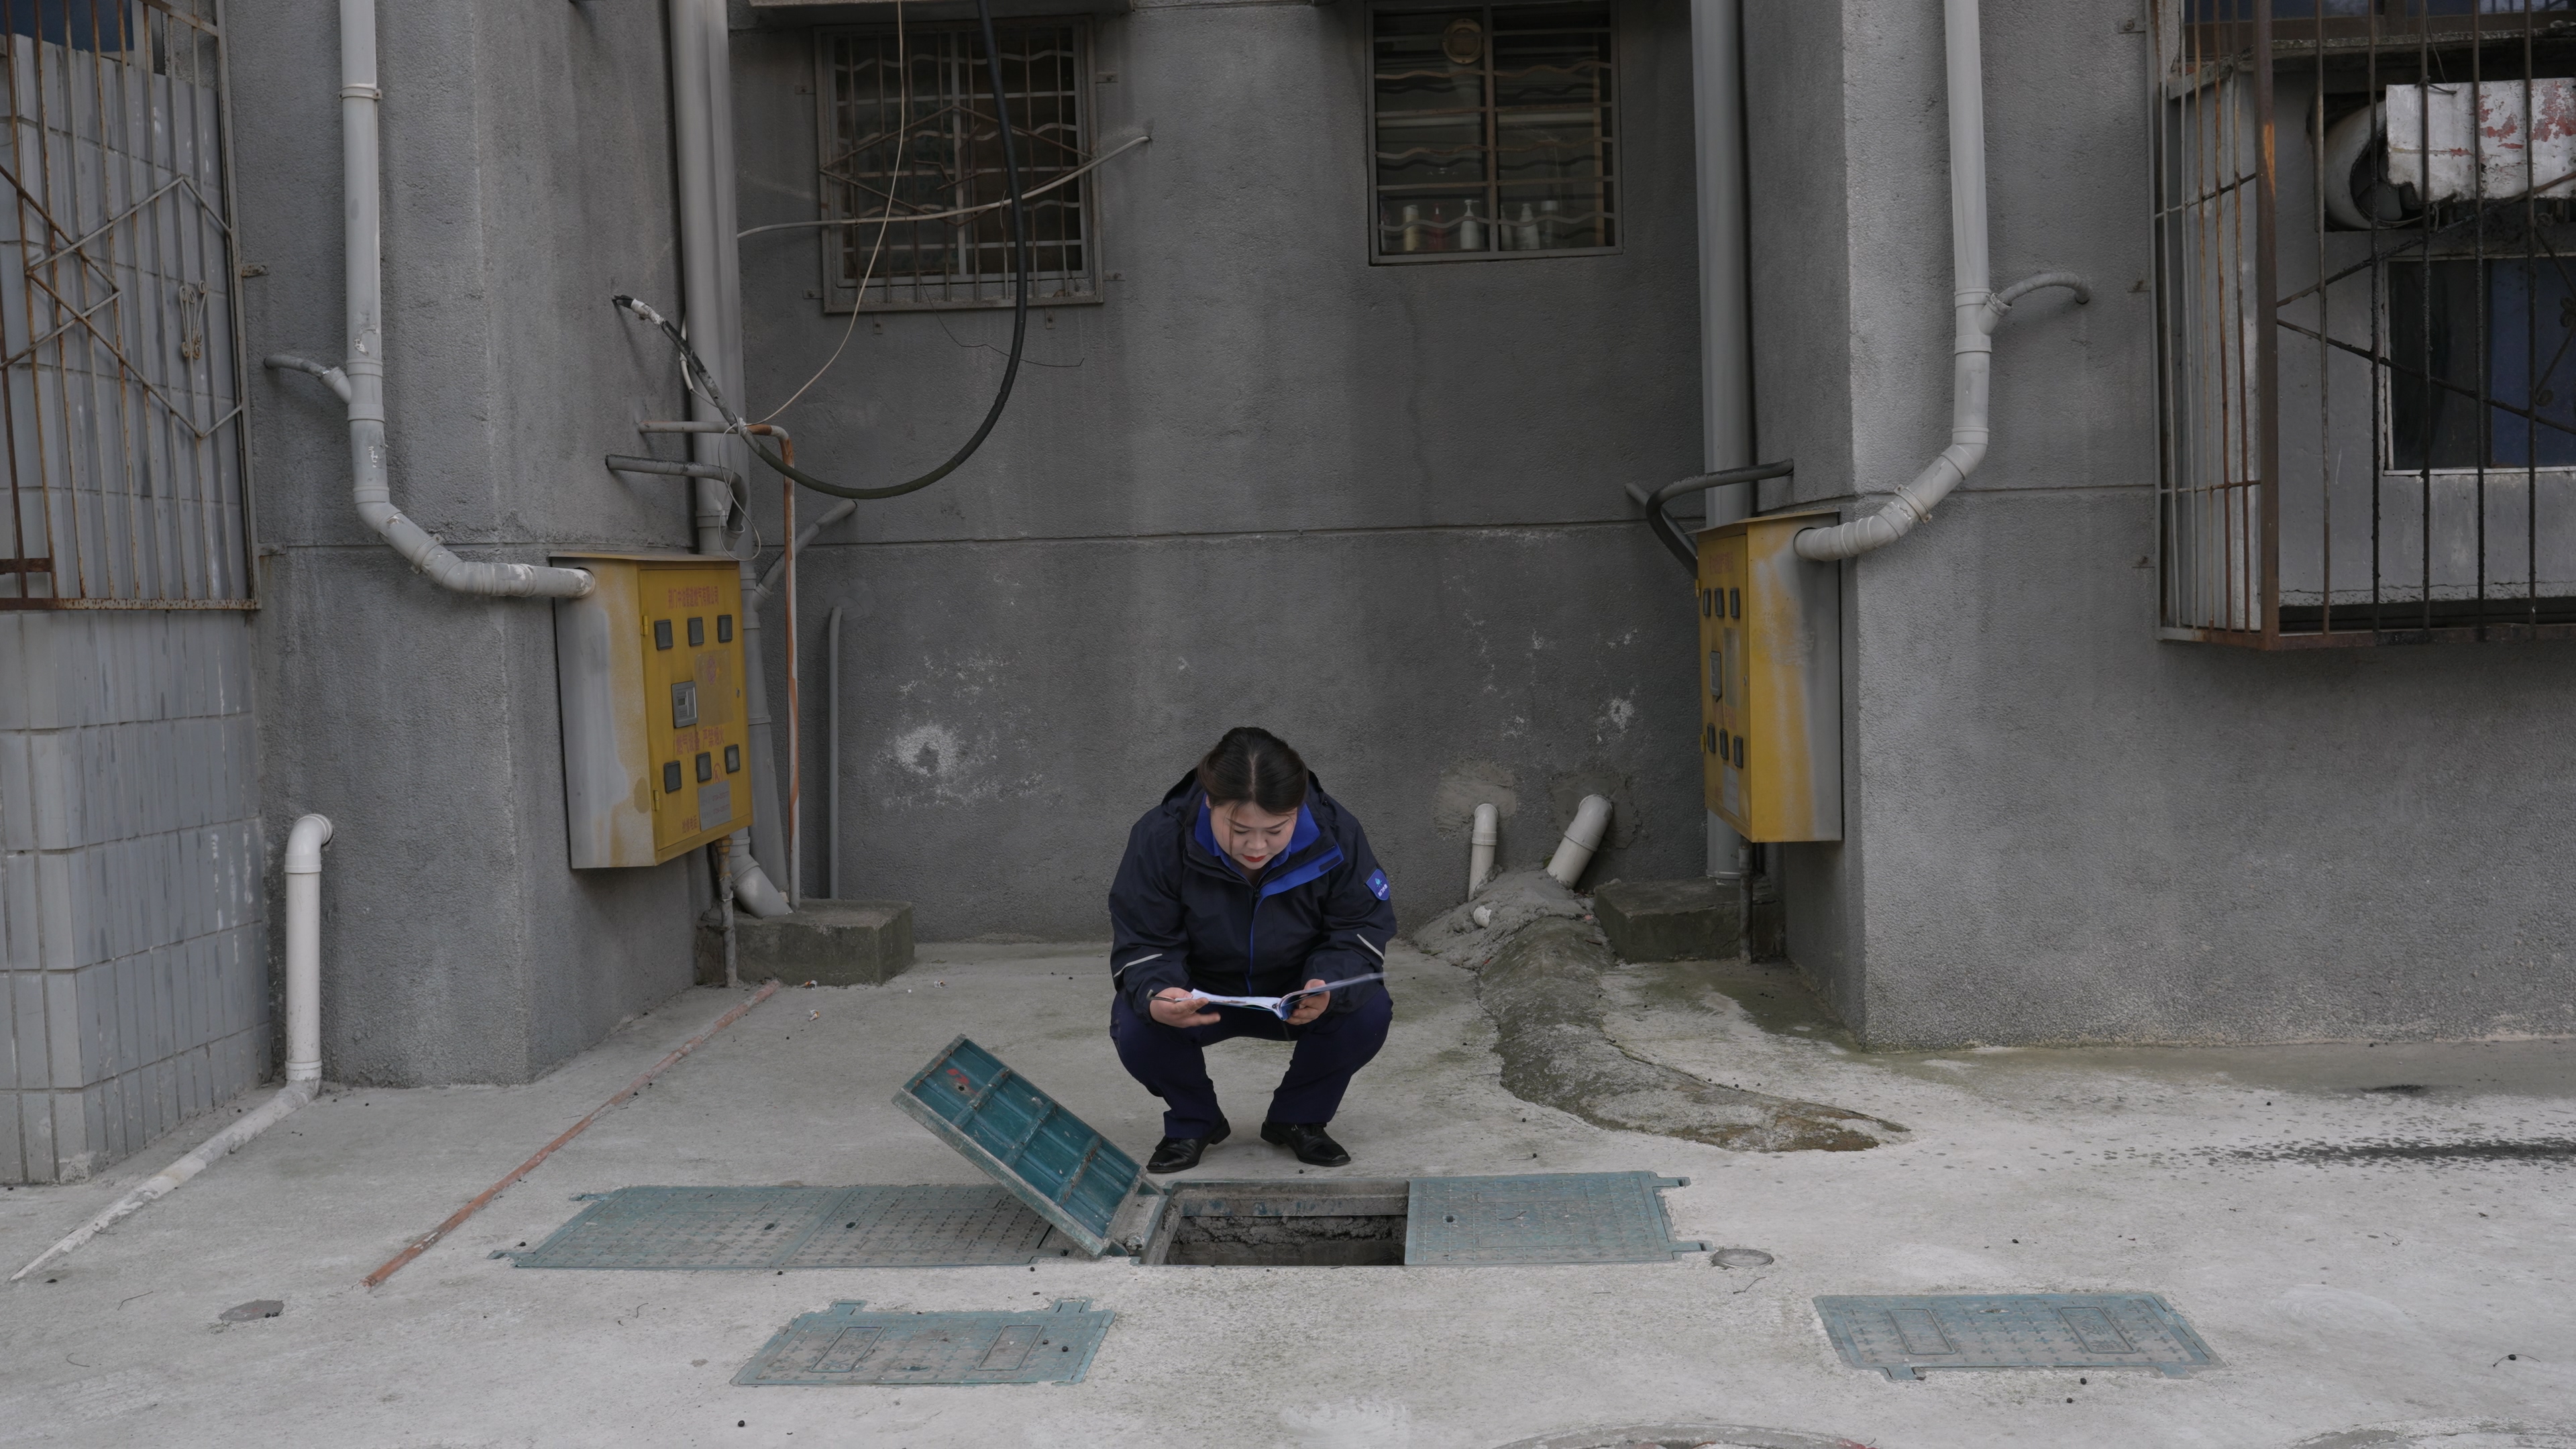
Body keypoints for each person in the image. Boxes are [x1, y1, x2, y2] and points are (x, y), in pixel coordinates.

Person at [1106, 727, 1397, 1173]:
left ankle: (1299, 1118)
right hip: (1200, 991)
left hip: (1297, 991)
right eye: (1239, 829)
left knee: (1367, 1009)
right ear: (1210, 802)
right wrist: (1158, 992)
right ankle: (1194, 1121)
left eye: (1276, 829)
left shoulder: (1336, 832)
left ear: (1297, 809)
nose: (1257, 846)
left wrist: (1327, 984)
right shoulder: (1160, 836)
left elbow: (1359, 925)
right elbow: (1145, 940)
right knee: (1136, 1020)